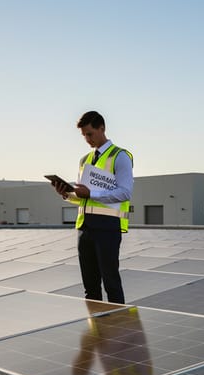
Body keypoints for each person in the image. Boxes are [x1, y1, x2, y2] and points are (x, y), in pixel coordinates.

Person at [50, 110, 133, 304]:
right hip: (84, 228)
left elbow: (125, 192)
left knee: (111, 283)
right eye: (84, 136)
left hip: (108, 228)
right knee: (90, 287)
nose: (87, 139)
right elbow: (83, 196)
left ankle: (118, 331)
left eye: (90, 134)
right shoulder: (84, 160)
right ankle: (96, 332)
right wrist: (67, 194)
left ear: (102, 128)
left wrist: (91, 194)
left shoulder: (120, 157)